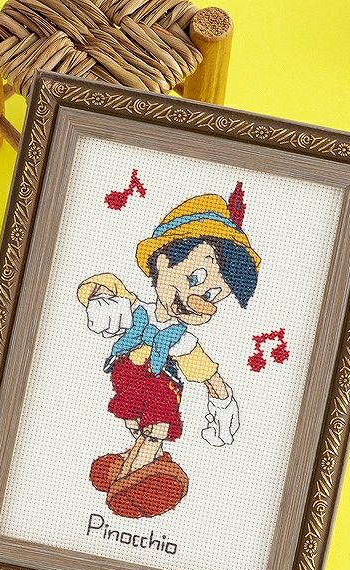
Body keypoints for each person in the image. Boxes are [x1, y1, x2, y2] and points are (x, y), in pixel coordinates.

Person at [77, 184, 260, 518]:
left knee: (156, 429)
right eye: (197, 278)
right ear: (162, 261)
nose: (202, 299)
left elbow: (205, 371)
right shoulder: (136, 309)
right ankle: (145, 465)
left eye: (214, 294)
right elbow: (104, 283)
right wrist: (100, 299)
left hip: (161, 386)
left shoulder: (181, 339)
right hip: (128, 378)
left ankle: (126, 479)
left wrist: (223, 401)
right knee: (137, 424)